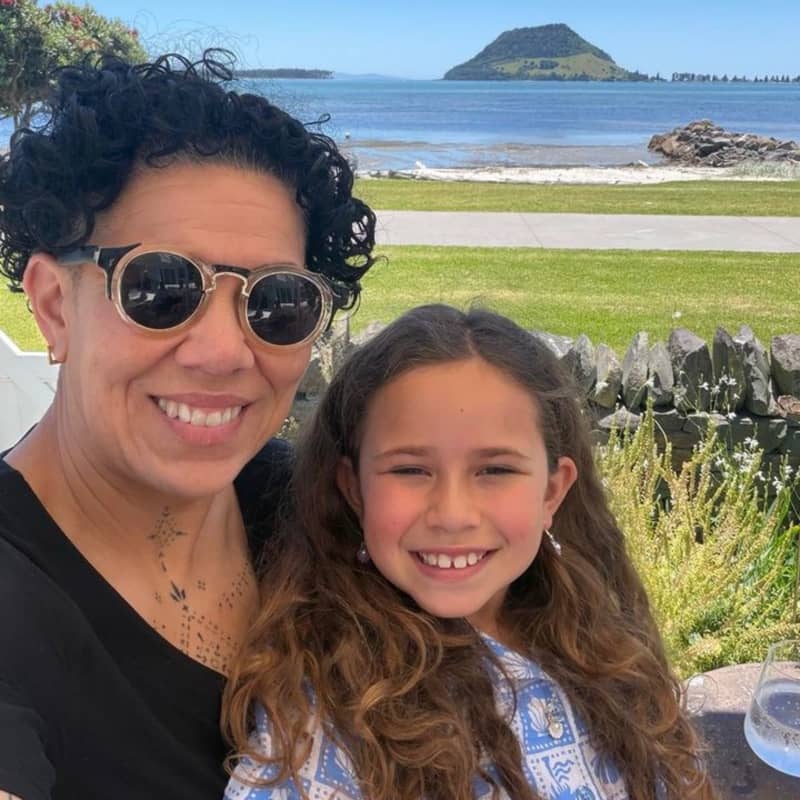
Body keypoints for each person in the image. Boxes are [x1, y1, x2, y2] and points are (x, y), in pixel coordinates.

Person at [0, 50, 376, 800]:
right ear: (54, 305)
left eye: (277, 301)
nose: (223, 353)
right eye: (161, 287)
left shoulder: (319, 512)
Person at [223, 305, 715, 800]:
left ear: (552, 492)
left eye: (495, 470)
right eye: (410, 470)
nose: (453, 514)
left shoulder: (601, 636)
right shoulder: (324, 728)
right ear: (355, 490)